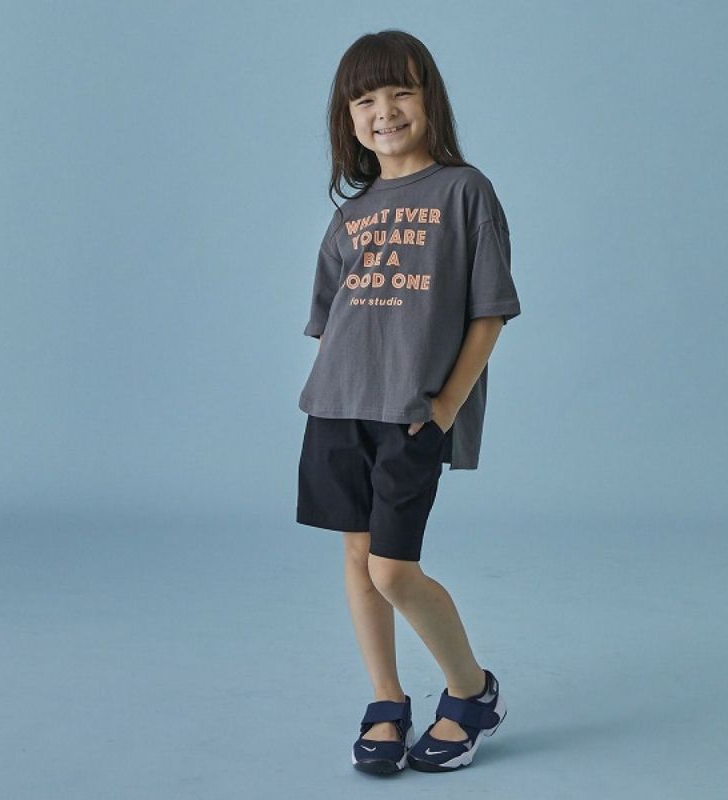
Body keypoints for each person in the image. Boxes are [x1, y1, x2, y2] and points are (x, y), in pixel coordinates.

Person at [296, 29, 521, 775]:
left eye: (401, 92)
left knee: (393, 569)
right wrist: (336, 395)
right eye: (365, 99)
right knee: (358, 559)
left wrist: (448, 405)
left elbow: (489, 312)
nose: (384, 111)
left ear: (430, 100)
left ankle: (472, 692)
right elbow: (333, 318)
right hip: (338, 406)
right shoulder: (350, 214)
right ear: (348, 118)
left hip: (415, 410)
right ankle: (386, 699)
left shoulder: (465, 191)